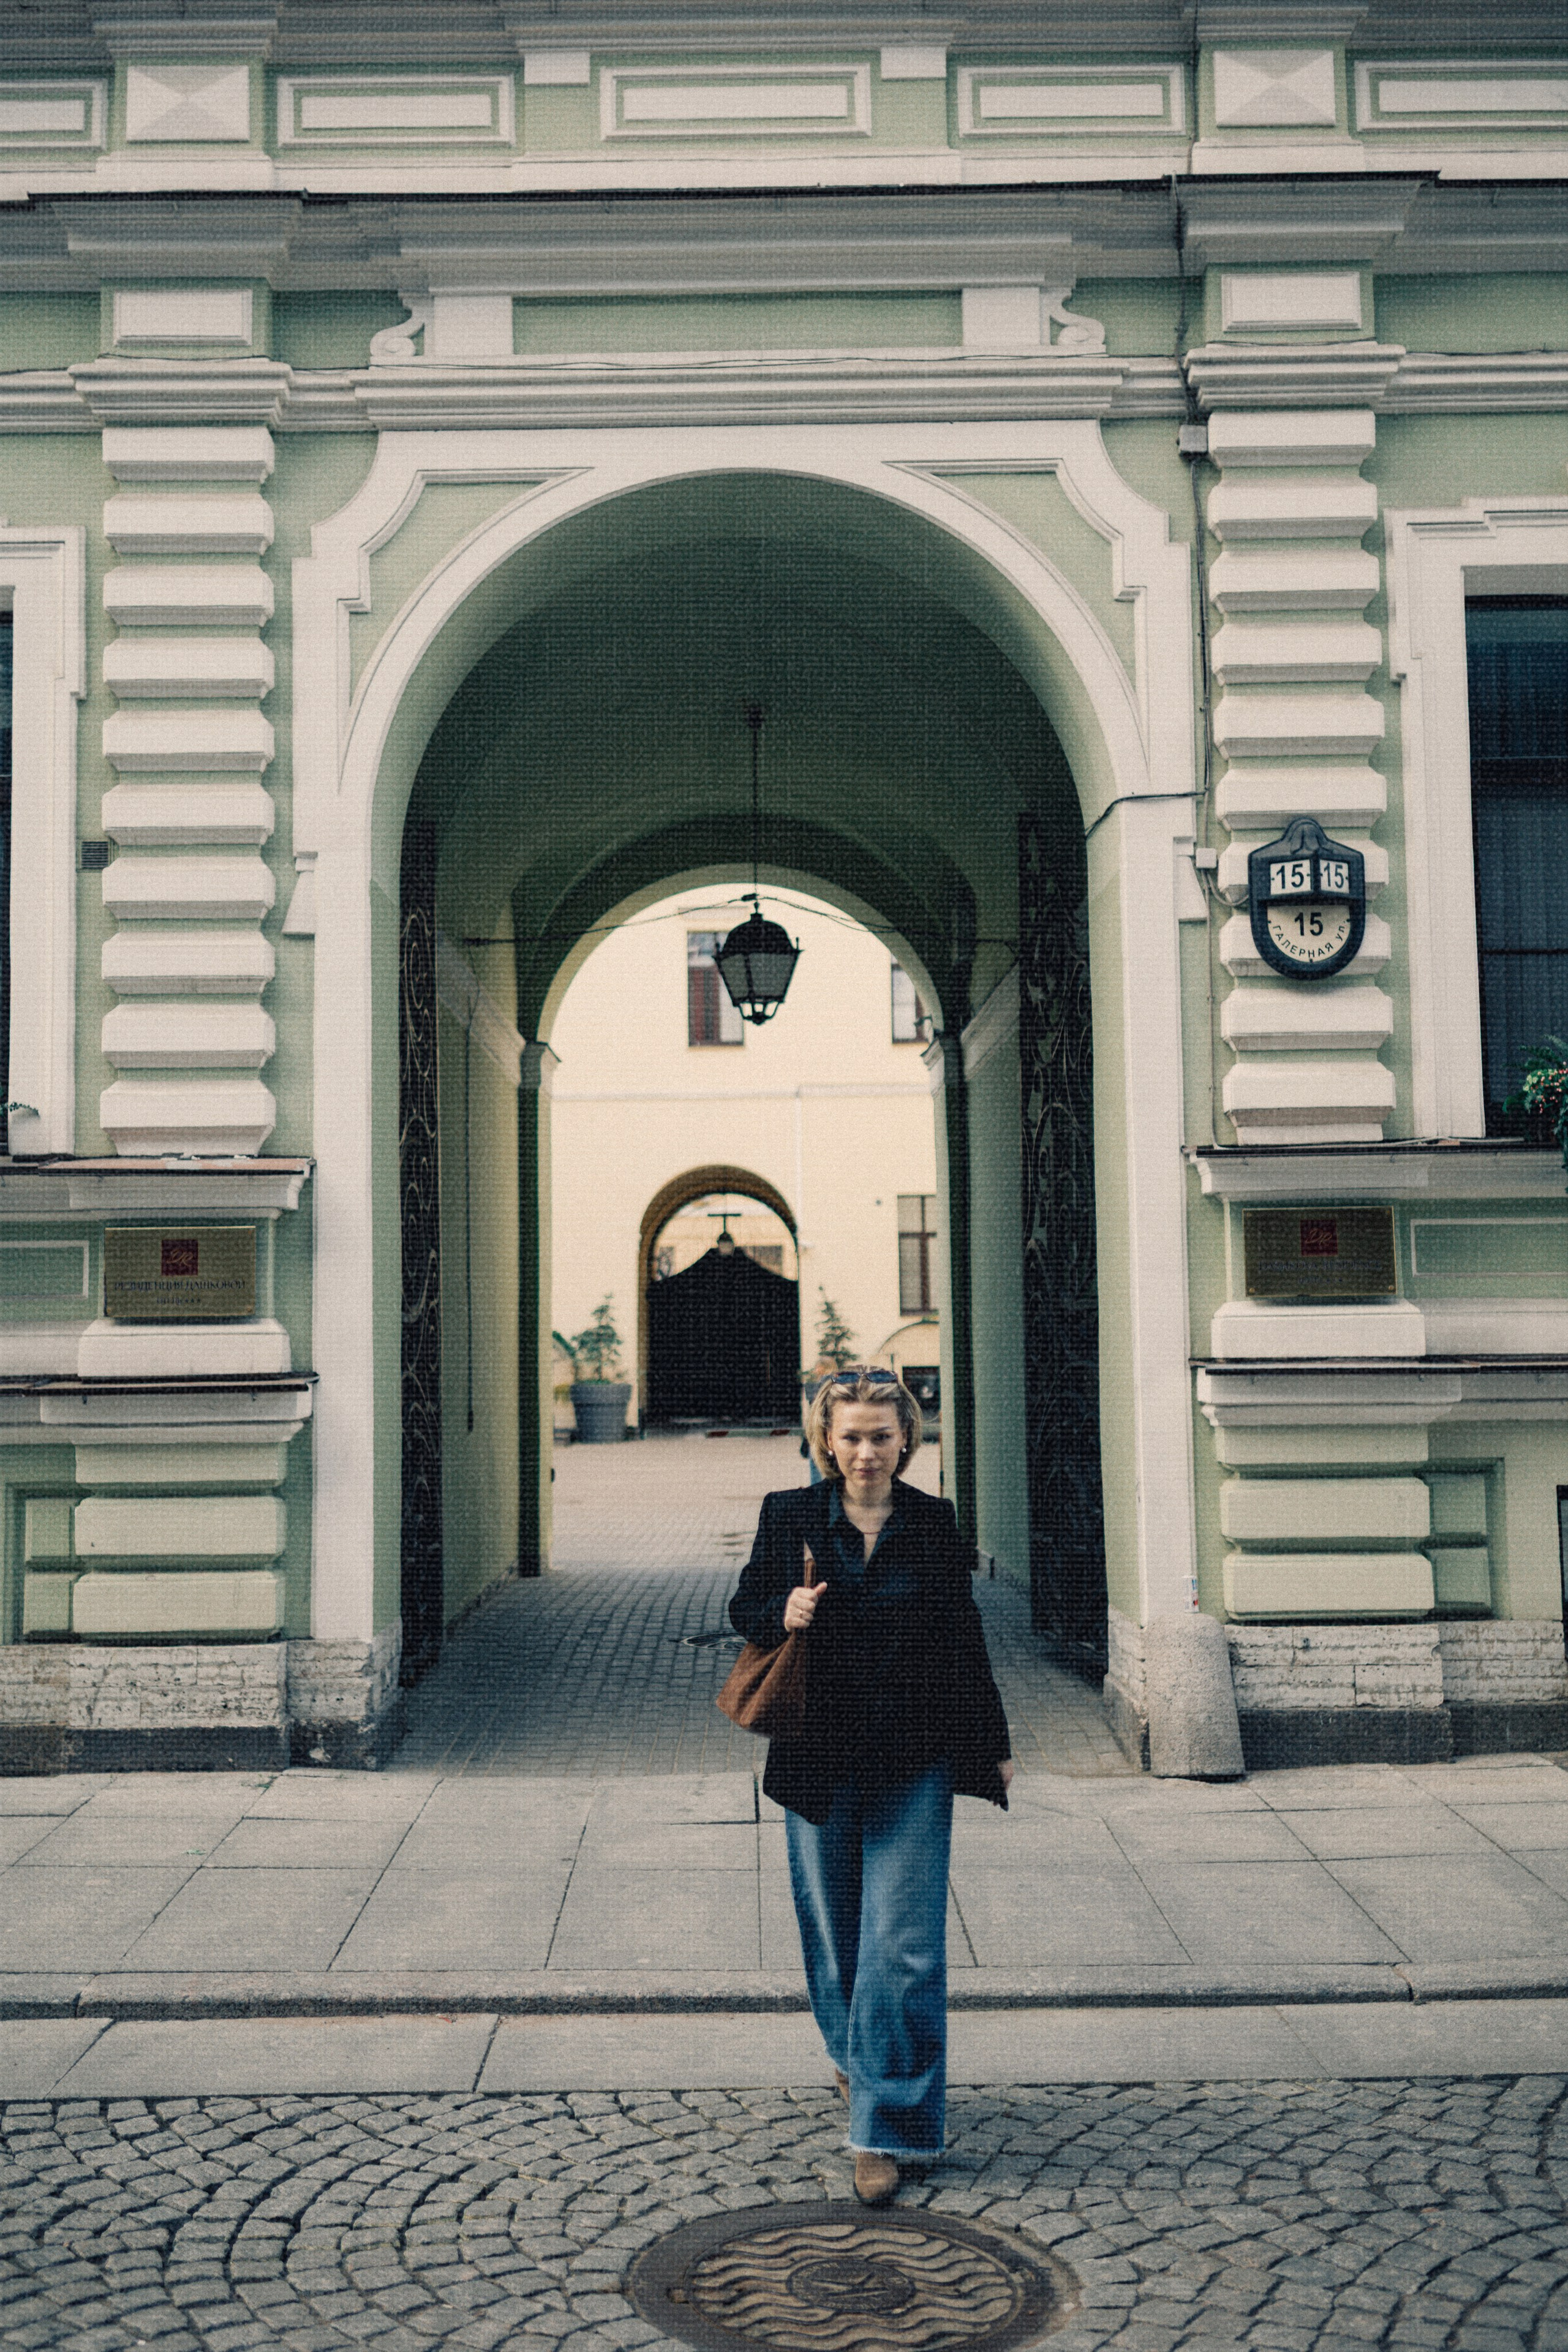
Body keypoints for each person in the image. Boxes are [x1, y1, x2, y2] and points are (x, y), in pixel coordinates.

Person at [729, 1363, 1012, 2206]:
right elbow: (744, 1608)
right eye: (850, 1436)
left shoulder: (932, 1522)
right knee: (836, 1931)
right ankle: (858, 2060)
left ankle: (885, 2128)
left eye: (881, 1437)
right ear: (827, 1440)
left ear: (906, 1441)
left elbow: (964, 1635)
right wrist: (782, 1611)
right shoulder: (789, 1515)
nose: (865, 1453)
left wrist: (991, 1743)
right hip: (817, 1751)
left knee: (905, 1943)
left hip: (913, 1752)